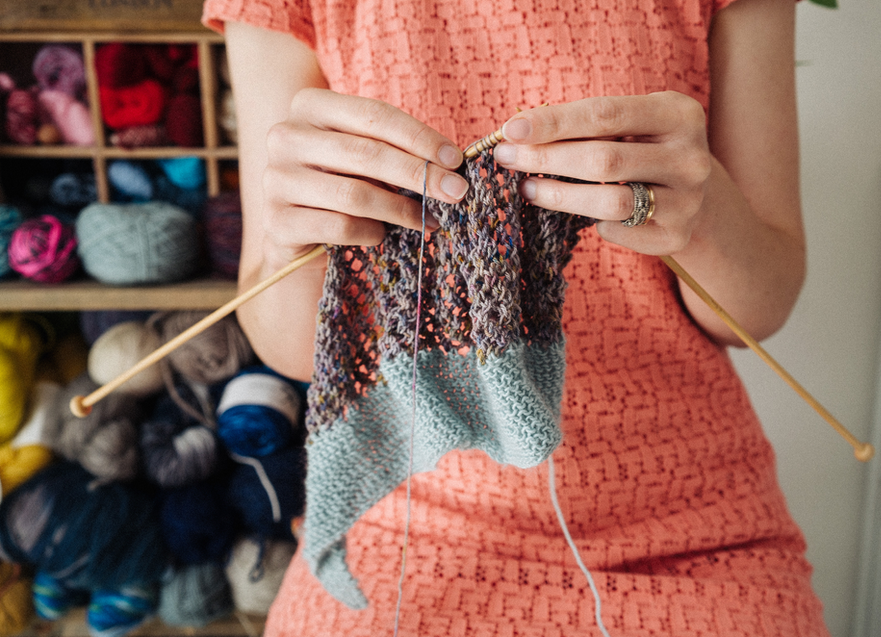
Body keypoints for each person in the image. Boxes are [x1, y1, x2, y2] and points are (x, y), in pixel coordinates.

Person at [202, 0, 829, 634]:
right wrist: (293, 241)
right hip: (397, 507)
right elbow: (293, 347)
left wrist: (702, 209)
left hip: (696, 527)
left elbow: (759, 306)